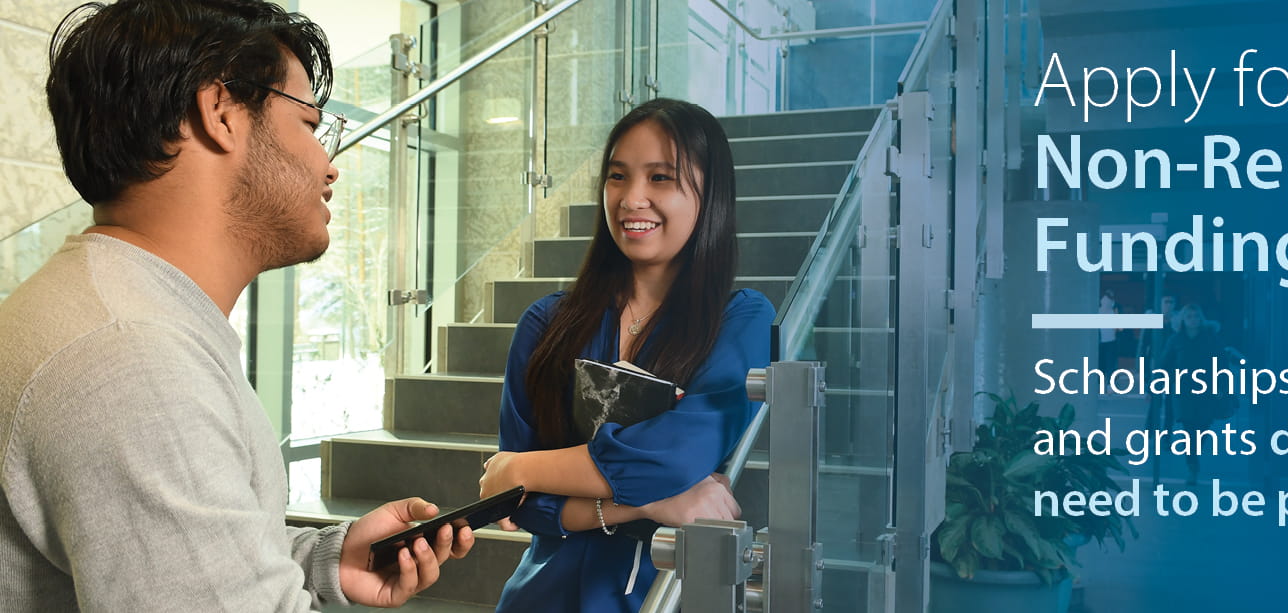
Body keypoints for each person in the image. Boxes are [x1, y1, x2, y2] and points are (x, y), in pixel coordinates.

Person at [0, 2, 473, 609]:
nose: (329, 167)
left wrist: (327, 560)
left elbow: (165, 558)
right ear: (221, 113)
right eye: (309, 125)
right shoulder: (131, 362)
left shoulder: (122, 317)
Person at [477, 98, 773, 612]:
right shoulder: (546, 324)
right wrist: (656, 502)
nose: (632, 198)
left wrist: (522, 468)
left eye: (660, 178)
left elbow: (676, 455)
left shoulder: (740, 320)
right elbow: (520, 507)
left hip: (661, 598)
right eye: (618, 176)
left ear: (711, 194)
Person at [1157, 303, 1235, 486]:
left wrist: (1222, 388)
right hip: (1183, 392)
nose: (1193, 320)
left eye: (1196, 316)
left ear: (1201, 319)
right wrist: (1154, 386)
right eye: (1189, 316)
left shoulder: (1211, 339)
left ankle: (1194, 453)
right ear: (1183, 319)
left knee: (1204, 427)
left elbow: (1222, 365)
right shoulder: (1176, 340)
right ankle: (1192, 465)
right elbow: (1165, 364)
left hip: (1206, 390)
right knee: (1189, 428)